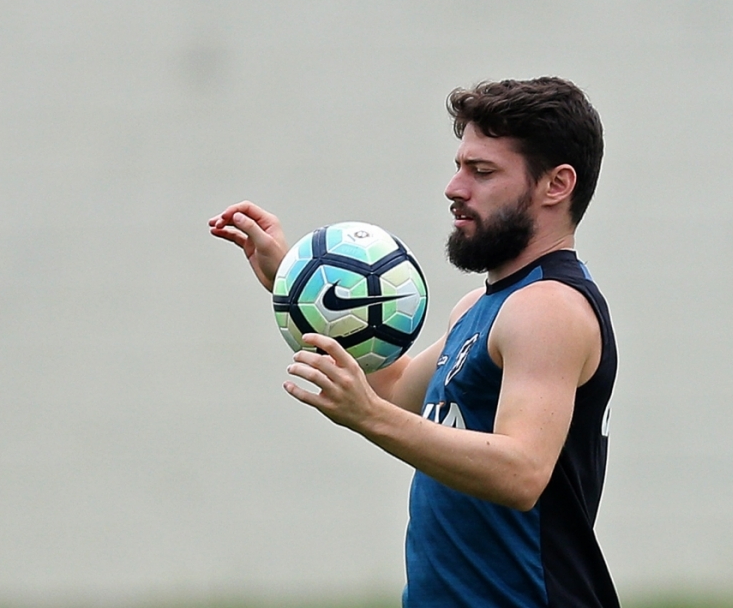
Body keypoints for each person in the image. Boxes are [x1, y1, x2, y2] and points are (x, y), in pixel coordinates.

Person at [207, 77, 618, 608]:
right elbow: (393, 390)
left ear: (556, 185)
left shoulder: (548, 307)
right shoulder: (484, 306)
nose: (455, 188)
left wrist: (368, 419)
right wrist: (294, 283)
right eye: (459, 165)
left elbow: (521, 472)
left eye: (483, 171)